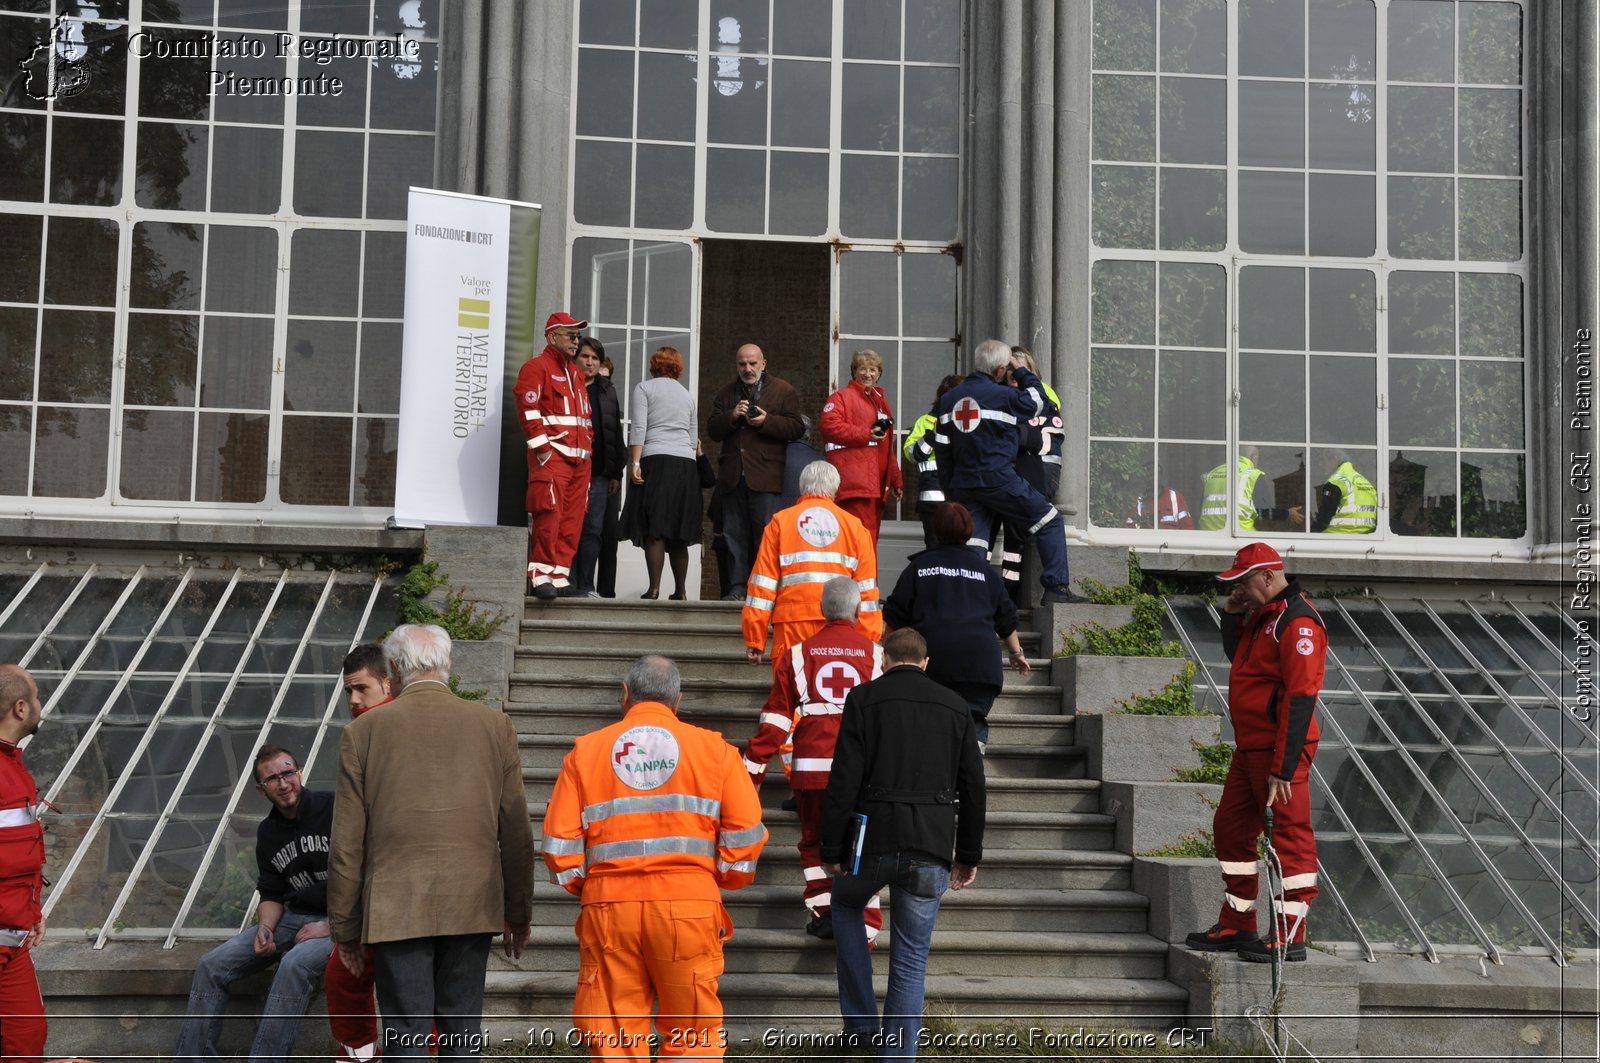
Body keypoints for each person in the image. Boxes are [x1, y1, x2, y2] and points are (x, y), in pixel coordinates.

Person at [540, 655, 767, 1061]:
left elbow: (559, 846)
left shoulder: (585, 752)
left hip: (609, 908)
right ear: (678, 701)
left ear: (624, 695)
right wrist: (713, 881)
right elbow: (746, 836)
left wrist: (592, 886)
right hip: (689, 908)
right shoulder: (716, 751)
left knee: (614, 1034)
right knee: (693, 1033)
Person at [327, 625, 535, 1062]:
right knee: (462, 1029)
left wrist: (345, 929)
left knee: (406, 1033)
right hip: (472, 902)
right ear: (447, 666)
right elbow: (516, 830)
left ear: (396, 669)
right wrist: (517, 911)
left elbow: (346, 843)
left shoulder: (362, 734)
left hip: (395, 905)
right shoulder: (495, 725)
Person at [820, 629, 985, 1061]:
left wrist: (831, 848)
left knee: (844, 906)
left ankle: (859, 1027)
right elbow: (973, 787)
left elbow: (843, 779)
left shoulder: (863, 699)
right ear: (926, 662)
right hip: (930, 848)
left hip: (869, 843)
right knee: (911, 962)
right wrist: (967, 855)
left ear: (883, 659)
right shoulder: (956, 707)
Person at [1185, 543, 1325, 964]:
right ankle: (1238, 922)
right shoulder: (1266, 617)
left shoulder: (1298, 622)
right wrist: (1232, 614)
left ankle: (1289, 933)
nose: (1240, 590)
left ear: (1267, 576)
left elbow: (1301, 696)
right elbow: (1242, 661)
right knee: (1230, 828)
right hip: (1251, 748)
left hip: (1278, 752)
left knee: (1289, 836)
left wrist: (1283, 767)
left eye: (1243, 581)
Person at [742, 578, 884, 941]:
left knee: (814, 844)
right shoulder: (877, 655)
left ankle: (824, 911)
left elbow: (775, 721)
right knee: (862, 847)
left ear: (822, 610)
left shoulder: (796, 654)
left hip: (812, 771)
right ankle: (864, 928)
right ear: (857, 611)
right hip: (863, 775)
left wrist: (751, 771)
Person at [174, 746, 335, 1063]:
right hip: (296, 916)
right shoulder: (269, 832)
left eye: (288, 773)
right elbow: (272, 893)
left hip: (344, 921)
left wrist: (334, 925)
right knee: (212, 965)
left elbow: (369, 874)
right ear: (261, 789)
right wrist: (265, 927)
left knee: (294, 963)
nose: (283, 783)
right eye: (273, 778)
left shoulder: (335, 808)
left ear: (299, 773)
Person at [933, 339, 1087, 605]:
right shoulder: (1002, 396)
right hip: (999, 480)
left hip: (964, 485)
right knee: (1050, 520)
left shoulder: (949, 400)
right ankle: (1055, 588)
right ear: (1000, 370)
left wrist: (951, 490)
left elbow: (943, 448)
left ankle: (967, 602)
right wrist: (1022, 370)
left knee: (975, 544)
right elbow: (1039, 401)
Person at [883, 502, 1031, 751]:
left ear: (936, 529)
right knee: (972, 724)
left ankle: (937, 779)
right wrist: (1017, 654)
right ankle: (972, 772)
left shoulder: (918, 569)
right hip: (980, 667)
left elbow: (895, 617)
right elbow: (1006, 618)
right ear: (970, 531)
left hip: (932, 664)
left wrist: (887, 655)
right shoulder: (985, 571)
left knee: (931, 724)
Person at [322, 646, 398, 1063]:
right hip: (380, 886)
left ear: (387, 682)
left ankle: (361, 1056)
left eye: (360, 689)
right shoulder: (367, 731)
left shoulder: (369, 733)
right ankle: (362, 1054)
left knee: (354, 975)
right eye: (347, 692)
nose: (352, 701)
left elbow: (350, 835)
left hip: (384, 887)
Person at [743, 461, 882, 668]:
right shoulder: (855, 528)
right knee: (830, 692)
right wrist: (867, 640)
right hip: (839, 625)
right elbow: (866, 592)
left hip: (792, 624)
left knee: (790, 692)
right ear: (835, 488)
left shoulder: (780, 523)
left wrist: (755, 638)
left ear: (802, 487)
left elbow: (762, 587)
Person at [708, 343, 806, 602]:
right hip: (733, 476)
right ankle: (737, 587)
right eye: (742, 364)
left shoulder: (783, 390)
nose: (747, 369)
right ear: (736, 365)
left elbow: (797, 427)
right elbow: (712, 430)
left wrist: (767, 422)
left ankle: (764, 590)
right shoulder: (726, 393)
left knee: (766, 536)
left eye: (753, 363)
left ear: (764, 363)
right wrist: (732, 415)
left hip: (766, 475)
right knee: (733, 534)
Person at [515, 311, 595, 600]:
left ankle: (560, 577)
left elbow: (584, 419)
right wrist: (543, 451)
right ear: (552, 336)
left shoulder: (575, 373)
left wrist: (588, 452)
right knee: (549, 516)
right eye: (570, 335)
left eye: (578, 336)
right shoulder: (536, 368)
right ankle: (540, 576)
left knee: (572, 520)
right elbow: (528, 411)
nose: (576, 341)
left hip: (579, 461)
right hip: (553, 458)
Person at [621, 347, 701, 600]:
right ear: (678, 367)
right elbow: (692, 437)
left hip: (655, 459)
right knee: (680, 529)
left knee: (654, 526)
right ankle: (681, 590)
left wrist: (634, 463)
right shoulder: (687, 395)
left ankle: (654, 588)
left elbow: (640, 427)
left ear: (653, 365)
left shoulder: (644, 388)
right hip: (686, 466)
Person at [0, 665, 48, 1061]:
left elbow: (17, 852)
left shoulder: (14, 767)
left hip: (13, 940)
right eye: (35, 697)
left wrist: (33, 911)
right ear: (19, 708)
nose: (39, 705)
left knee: (27, 1039)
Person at [992, 347, 1066, 602]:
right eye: (1010, 368)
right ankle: (998, 596)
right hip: (1002, 474)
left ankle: (1011, 596)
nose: (1014, 374)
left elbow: (1049, 436)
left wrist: (1014, 438)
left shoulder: (1041, 395)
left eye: (1019, 369)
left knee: (1021, 532)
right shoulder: (998, 396)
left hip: (1036, 470)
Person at [820, 349, 903, 544]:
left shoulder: (880, 402)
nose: (868, 374)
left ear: (879, 374)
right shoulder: (841, 397)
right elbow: (828, 425)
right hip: (855, 484)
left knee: (868, 541)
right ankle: (861, 576)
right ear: (854, 372)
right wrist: (865, 434)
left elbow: (886, 447)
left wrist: (896, 479)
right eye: (863, 369)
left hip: (875, 486)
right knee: (859, 542)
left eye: (873, 369)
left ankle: (868, 576)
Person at [572, 336, 625, 597]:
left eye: (595, 358)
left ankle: (586, 585)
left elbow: (614, 431)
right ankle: (566, 584)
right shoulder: (567, 384)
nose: (590, 362)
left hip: (600, 472)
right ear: (576, 358)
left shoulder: (607, 389)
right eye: (585, 356)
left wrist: (617, 471)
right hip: (570, 469)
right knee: (570, 527)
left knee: (593, 530)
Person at [903, 375, 964, 547]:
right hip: (933, 499)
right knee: (934, 548)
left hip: (962, 495)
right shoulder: (925, 422)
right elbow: (911, 454)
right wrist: (932, 434)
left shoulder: (969, 421)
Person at [1198, 446, 1303, 532]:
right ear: (1253, 457)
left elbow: (1200, 508)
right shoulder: (1252, 474)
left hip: (1208, 535)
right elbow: (1265, 512)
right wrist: (1287, 514)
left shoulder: (1212, 473)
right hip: (1240, 536)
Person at [1309, 457, 1377, 534]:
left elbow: (1326, 514)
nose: (1320, 464)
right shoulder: (1364, 481)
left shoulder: (1336, 482)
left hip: (1339, 534)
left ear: (1334, 459)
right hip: (1367, 535)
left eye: (1323, 461)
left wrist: (1312, 531)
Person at [1124, 487, 1195, 531]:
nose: (1152, 478)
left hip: (1172, 547)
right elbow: (1128, 530)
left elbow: (1188, 528)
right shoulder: (1137, 500)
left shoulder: (1174, 496)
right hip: (1145, 547)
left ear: (1161, 476)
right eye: (1149, 475)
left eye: (1155, 474)